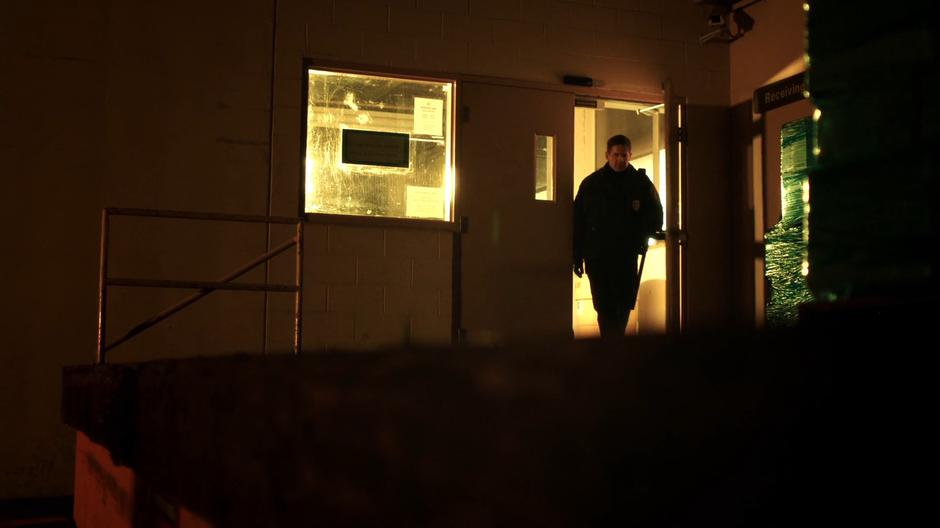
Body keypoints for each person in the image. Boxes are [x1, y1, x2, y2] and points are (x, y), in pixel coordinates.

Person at [573, 134, 663, 338]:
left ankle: (613, 345)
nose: (620, 159)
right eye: (616, 155)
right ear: (607, 155)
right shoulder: (592, 184)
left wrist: (643, 236)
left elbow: (656, 214)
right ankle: (611, 345)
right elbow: (578, 221)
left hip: (625, 254)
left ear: (630, 155)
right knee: (604, 306)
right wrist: (576, 255)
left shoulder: (640, 183)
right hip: (598, 256)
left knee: (622, 305)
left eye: (624, 155)